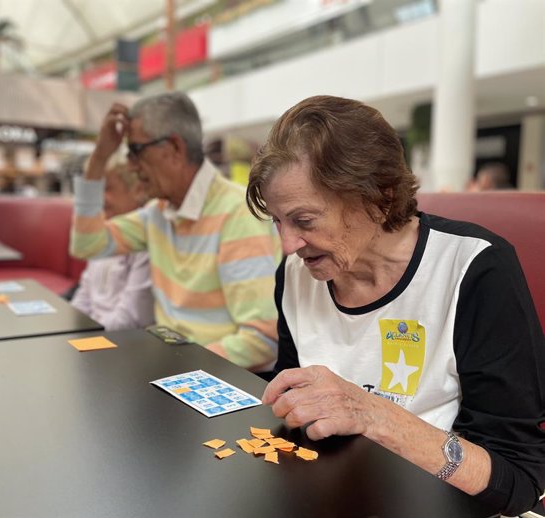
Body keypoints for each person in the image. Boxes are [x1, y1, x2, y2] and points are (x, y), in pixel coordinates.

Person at [246, 95, 544, 516]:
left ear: (378, 196)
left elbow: (518, 481)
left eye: (304, 220)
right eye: (278, 221)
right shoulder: (297, 275)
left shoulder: (474, 269)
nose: (288, 245)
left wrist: (373, 416)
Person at [70, 91, 281, 372]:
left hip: (216, 382)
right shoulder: (158, 213)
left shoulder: (238, 213)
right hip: (173, 367)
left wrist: (176, 370)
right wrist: (99, 158)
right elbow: (86, 245)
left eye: (135, 151)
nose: (131, 166)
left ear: (173, 148)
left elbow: (262, 341)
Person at [70, 153, 155, 331]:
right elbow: (84, 296)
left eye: (106, 188)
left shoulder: (146, 242)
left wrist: (85, 336)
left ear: (137, 190)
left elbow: (131, 320)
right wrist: (68, 330)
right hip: (95, 334)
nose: (97, 198)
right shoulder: (102, 233)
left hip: (121, 345)